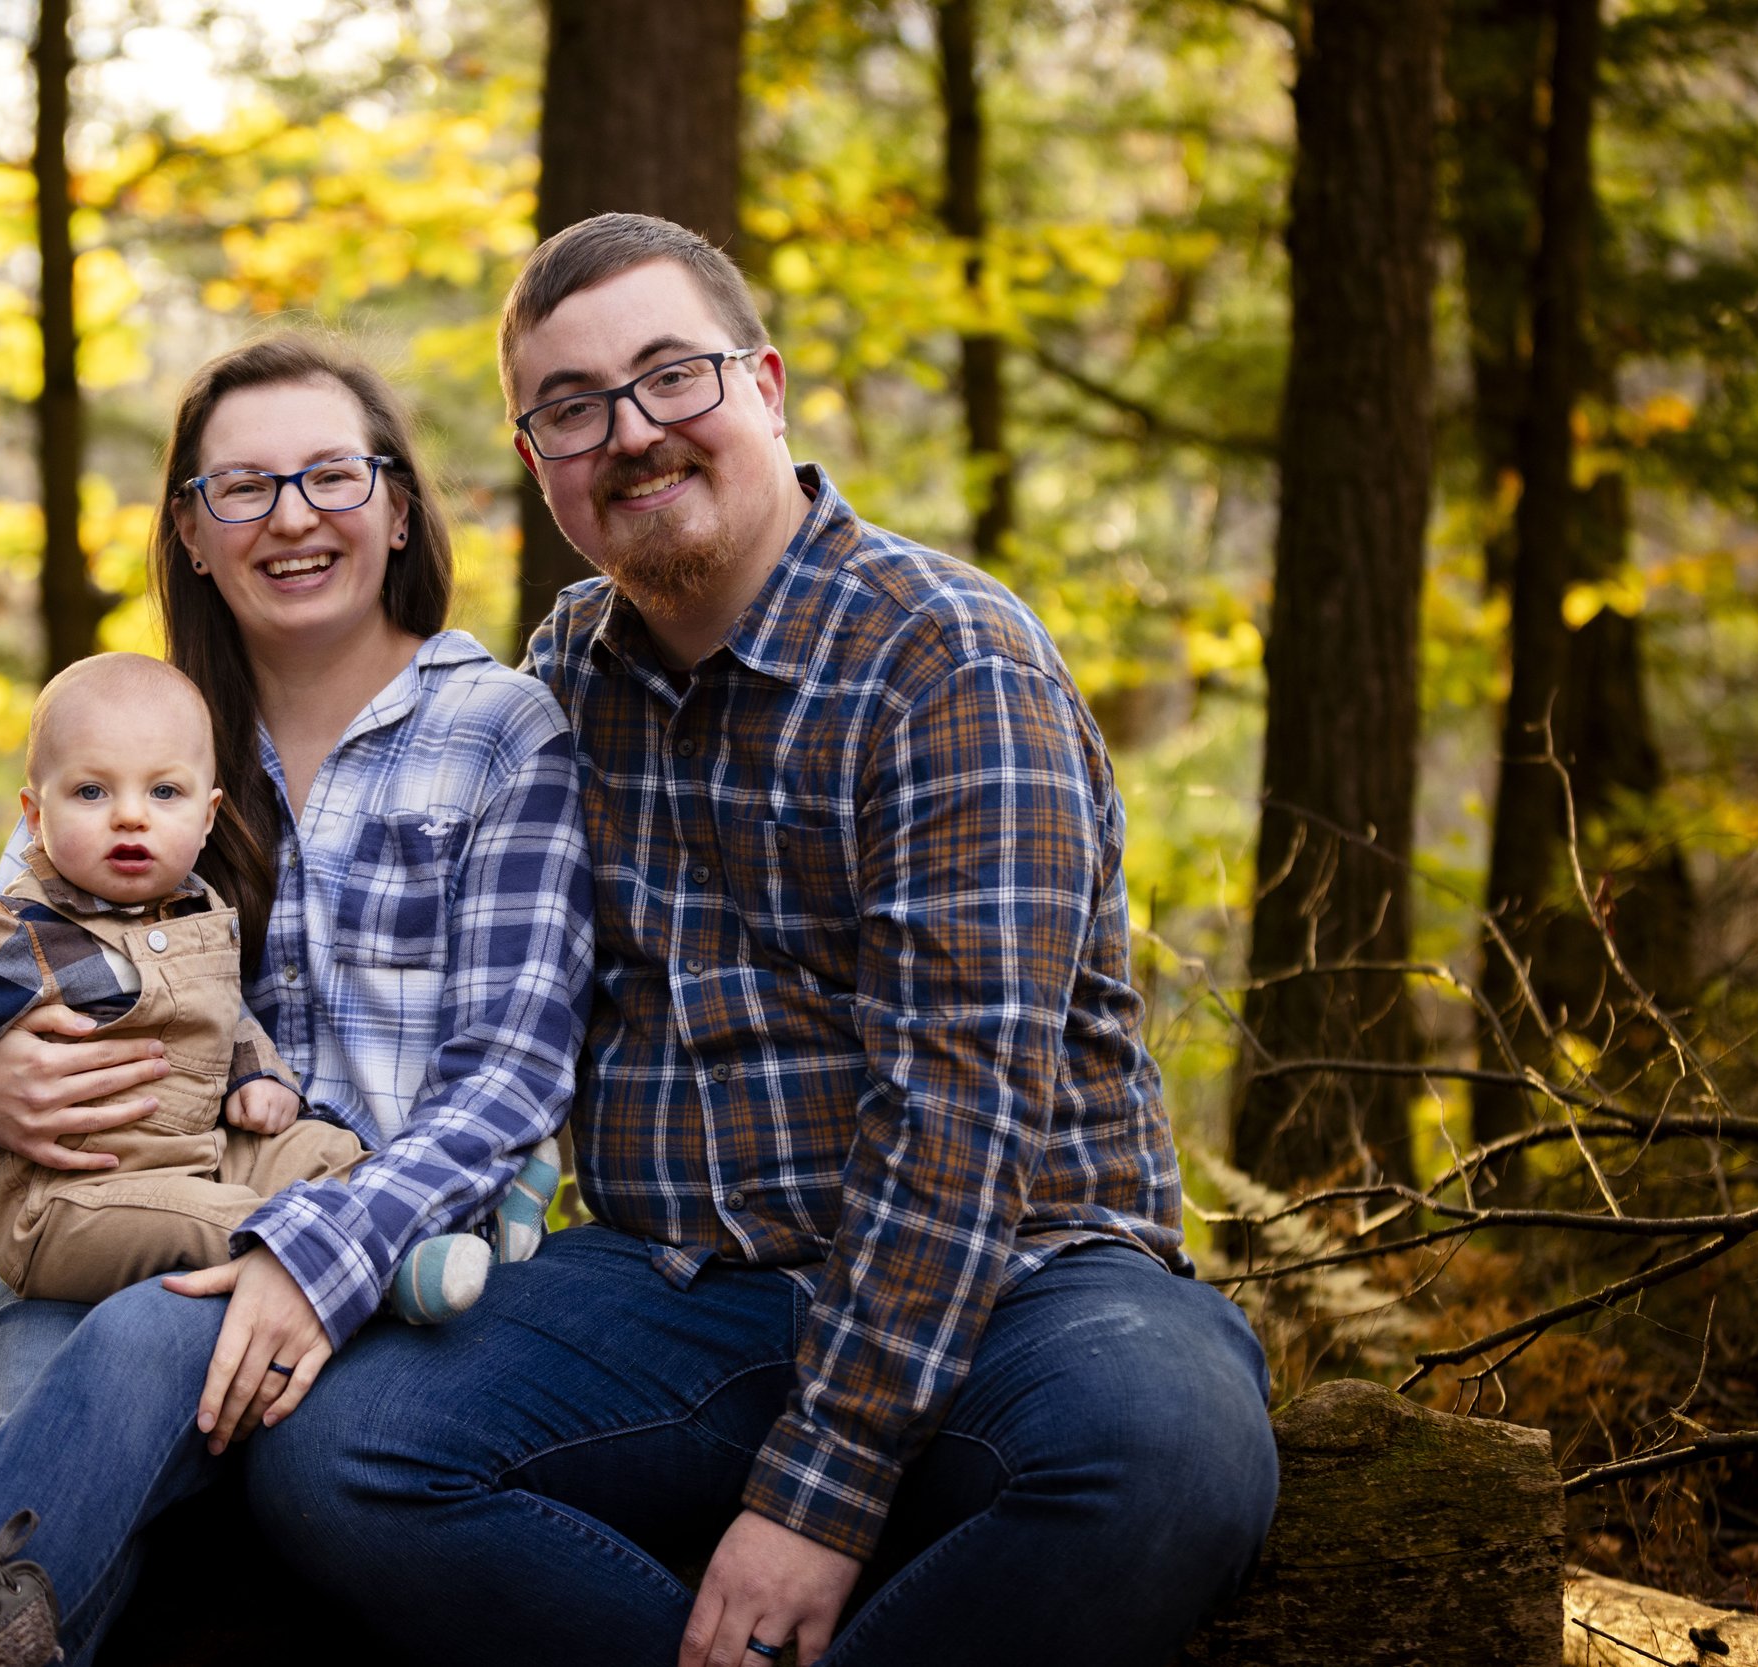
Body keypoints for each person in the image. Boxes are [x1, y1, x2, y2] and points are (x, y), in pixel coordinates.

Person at [244, 213, 1281, 1666]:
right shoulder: (563, 676)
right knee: (335, 1451)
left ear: (769, 386)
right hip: (682, 1290)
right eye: (574, 406)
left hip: (1017, 1284)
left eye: (675, 375)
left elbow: (961, 1117)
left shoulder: (948, 662)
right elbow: (422, 979)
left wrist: (819, 1497)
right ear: (538, 459)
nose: (634, 432)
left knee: (1169, 1450)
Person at [0, 334, 592, 1667]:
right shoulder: (134, 734)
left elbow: (513, 1074)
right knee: (73, 1434)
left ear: (399, 507)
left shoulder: (504, 735)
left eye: (331, 476)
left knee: (119, 1386)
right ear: (192, 528)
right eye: (242, 487)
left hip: (384, 1259)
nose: (291, 516)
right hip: (106, 1221)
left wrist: (320, 1241)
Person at [0, 650, 501, 1321]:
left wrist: (256, 1074)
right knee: (220, 1221)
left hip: (199, 1157)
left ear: (206, 817)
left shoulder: (196, 911)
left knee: (321, 1150)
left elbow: (220, 1013)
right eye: (92, 792)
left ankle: (455, 1218)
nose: (129, 815)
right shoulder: (20, 933)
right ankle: (389, 1277)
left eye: (163, 792)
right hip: (74, 1206)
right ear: (35, 814)